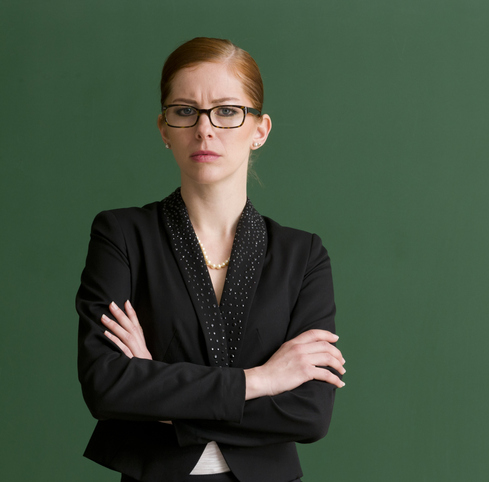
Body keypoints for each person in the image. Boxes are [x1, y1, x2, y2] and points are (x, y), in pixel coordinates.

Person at [76, 37, 345, 482]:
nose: (205, 129)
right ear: (164, 129)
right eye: (185, 111)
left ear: (259, 129)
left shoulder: (303, 255)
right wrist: (262, 380)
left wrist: (156, 390)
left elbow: (309, 414)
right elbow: (107, 388)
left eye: (226, 111)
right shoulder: (122, 235)